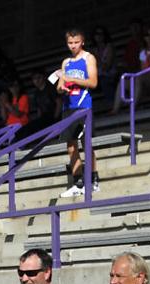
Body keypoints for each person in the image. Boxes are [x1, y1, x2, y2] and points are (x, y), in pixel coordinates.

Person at [58, 27, 100, 197]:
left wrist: (72, 79)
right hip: (68, 106)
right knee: (70, 145)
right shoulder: (66, 62)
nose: (73, 46)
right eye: (70, 43)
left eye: (76, 42)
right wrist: (61, 87)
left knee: (86, 144)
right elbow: (59, 85)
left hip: (84, 106)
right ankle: (78, 182)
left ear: (82, 41)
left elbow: (93, 82)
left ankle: (93, 180)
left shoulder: (88, 58)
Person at [111, 25, 150, 113]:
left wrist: (147, 74)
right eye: (147, 35)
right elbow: (142, 69)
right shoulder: (143, 52)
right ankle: (115, 109)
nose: (149, 37)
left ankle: (133, 107)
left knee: (139, 79)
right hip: (145, 79)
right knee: (123, 82)